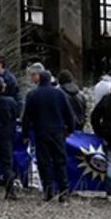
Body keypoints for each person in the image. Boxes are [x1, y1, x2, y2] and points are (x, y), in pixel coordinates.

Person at [22, 70, 75, 203]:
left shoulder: (32, 95)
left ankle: (48, 190)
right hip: (58, 132)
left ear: (39, 79)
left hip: (41, 132)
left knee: (44, 162)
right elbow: (69, 114)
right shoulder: (59, 94)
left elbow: (26, 117)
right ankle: (64, 192)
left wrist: (25, 133)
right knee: (60, 161)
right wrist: (70, 129)